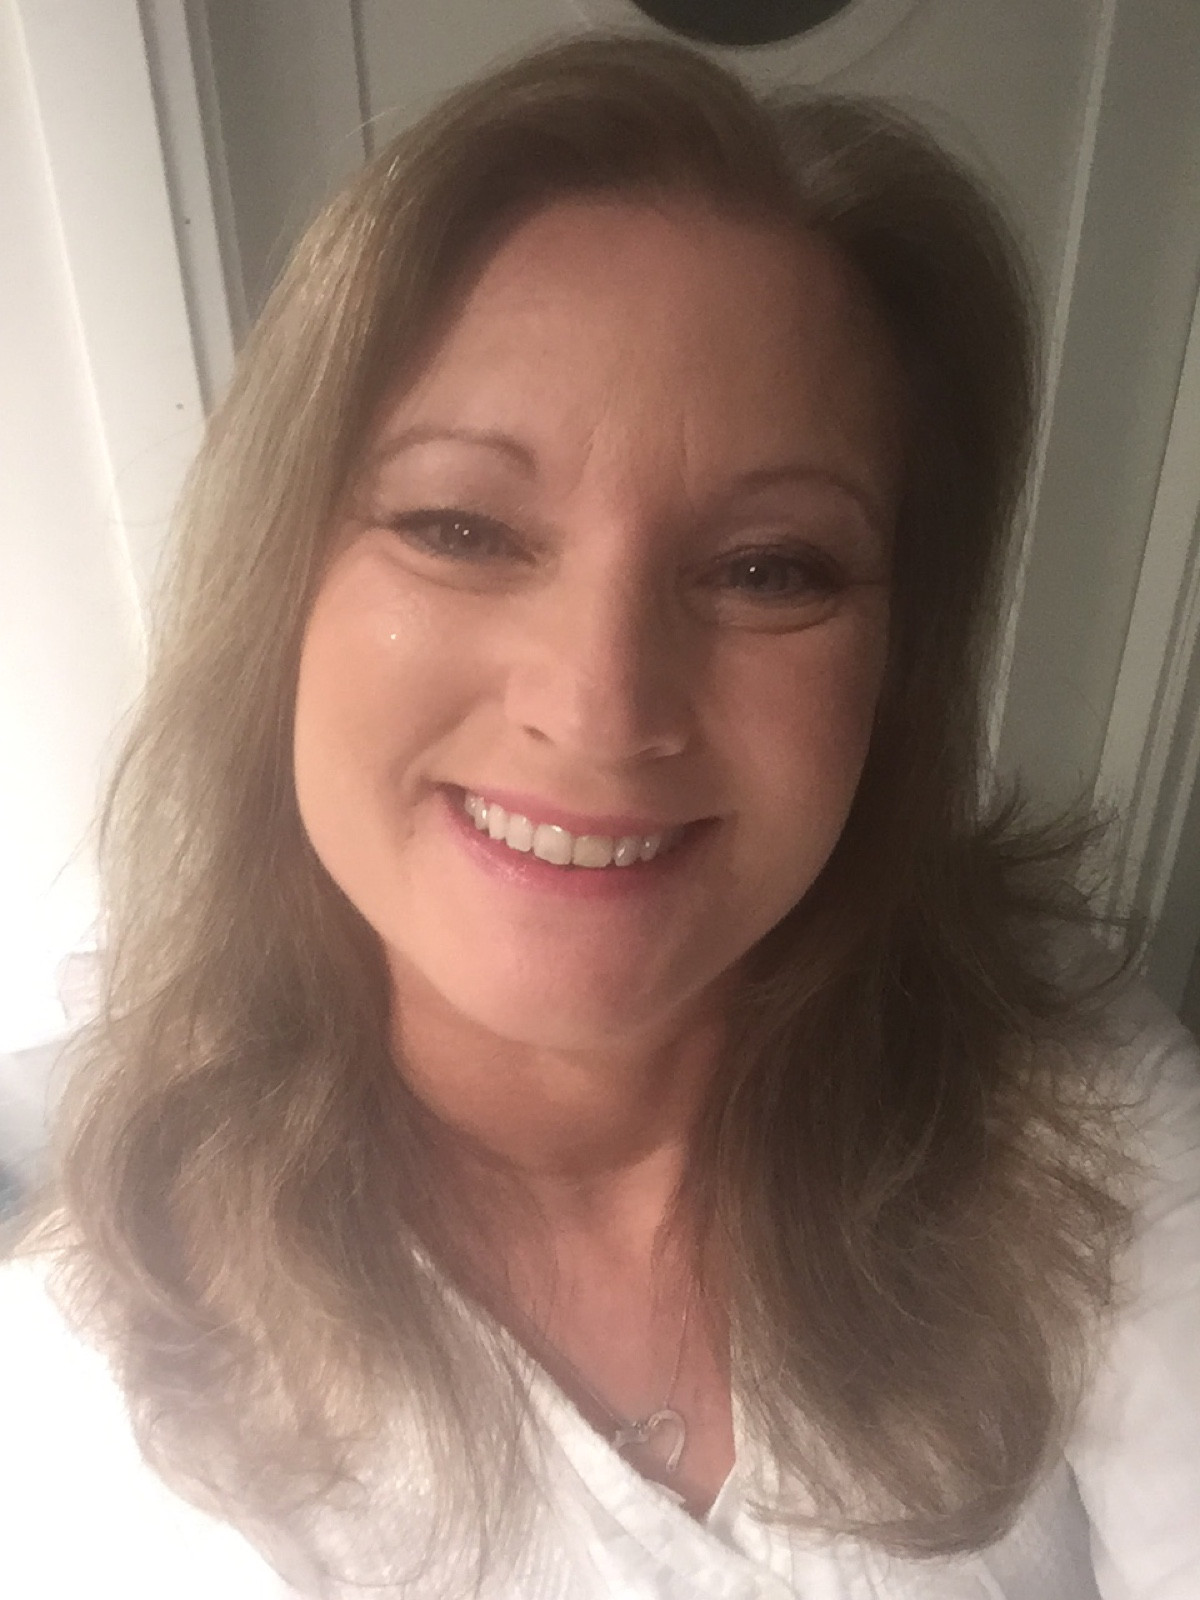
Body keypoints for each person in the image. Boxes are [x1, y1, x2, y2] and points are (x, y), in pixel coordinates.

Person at [2, 33, 1198, 1600]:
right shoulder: (94, 1399)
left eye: (768, 567)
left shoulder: (1064, 1095)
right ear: (279, 588)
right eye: (461, 527)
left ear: (898, 659)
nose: (602, 703)